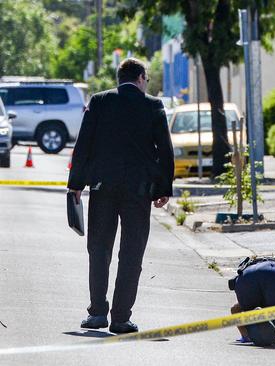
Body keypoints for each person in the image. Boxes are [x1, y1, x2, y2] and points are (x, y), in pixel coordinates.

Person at [67, 58, 174, 334]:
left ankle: (97, 313)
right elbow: (165, 149)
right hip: (139, 192)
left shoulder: (100, 101)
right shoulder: (153, 106)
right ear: (140, 78)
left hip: (102, 188)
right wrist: (163, 189)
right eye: (146, 80)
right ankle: (121, 318)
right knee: (131, 253)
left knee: (99, 250)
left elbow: (84, 143)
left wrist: (76, 184)